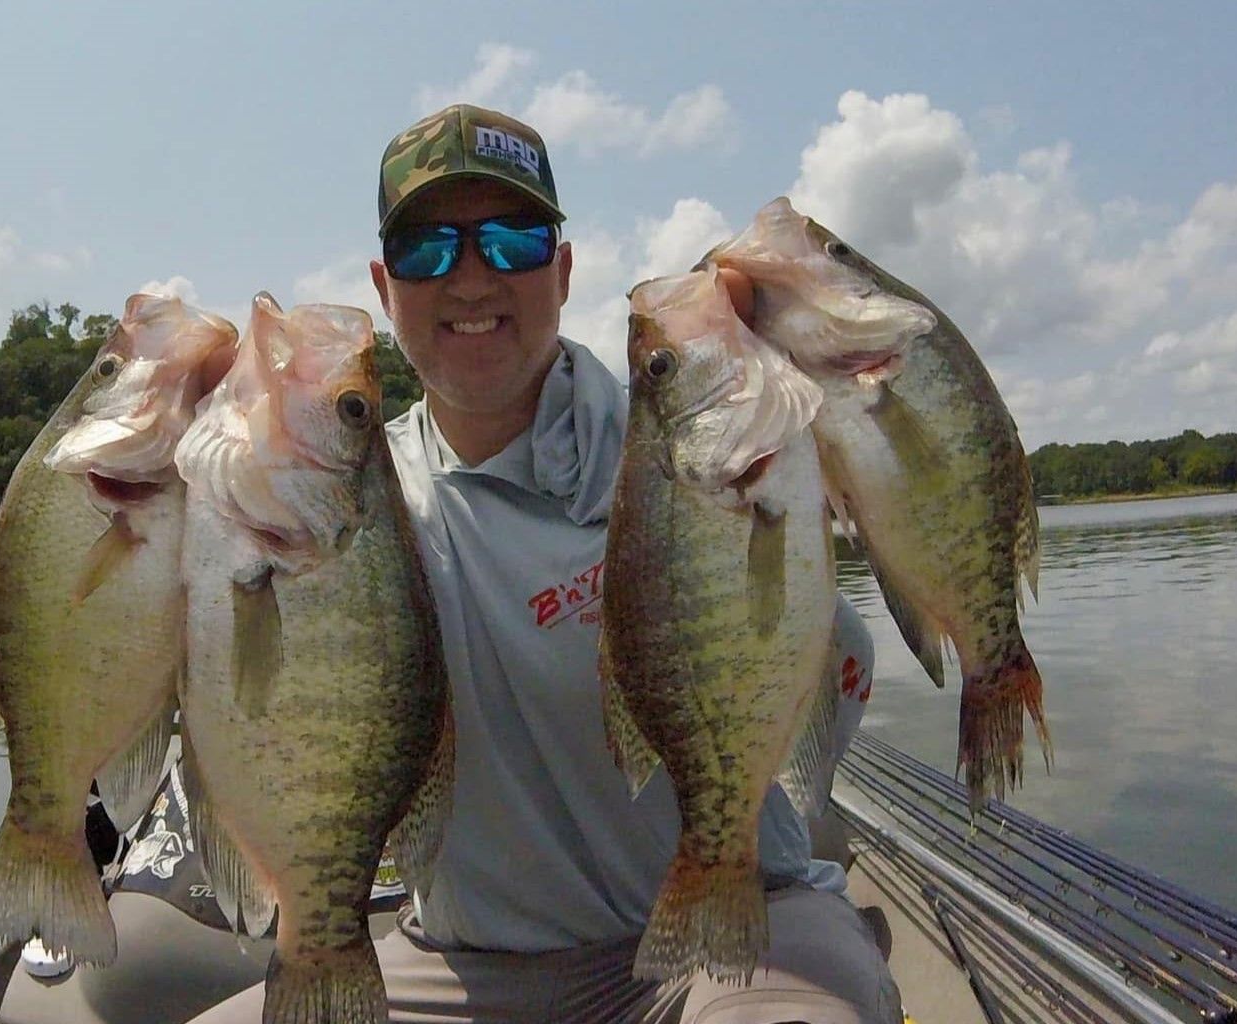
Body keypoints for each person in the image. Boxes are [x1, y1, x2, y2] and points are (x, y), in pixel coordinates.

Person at [188, 104, 899, 1024]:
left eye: (514, 241)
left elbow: (832, 663)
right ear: (384, 283)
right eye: (428, 249)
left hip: (735, 927)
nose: (472, 277)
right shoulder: (345, 500)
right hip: (463, 965)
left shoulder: (688, 450)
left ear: (562, 272)